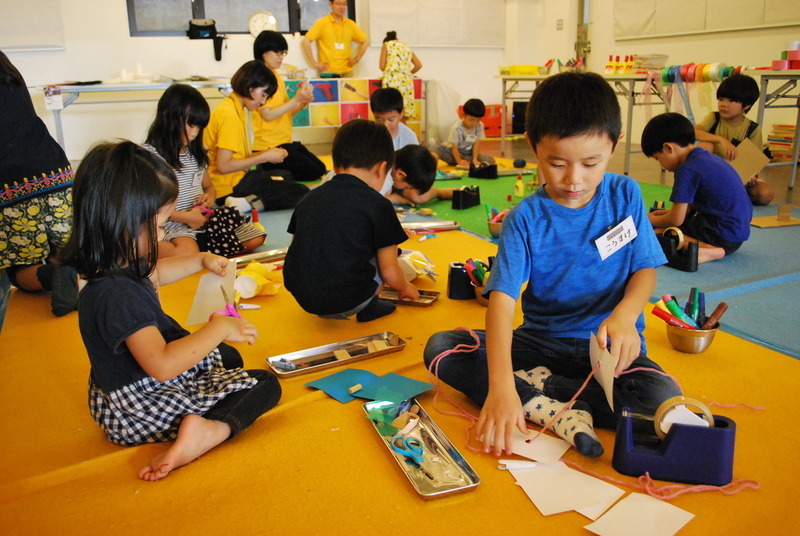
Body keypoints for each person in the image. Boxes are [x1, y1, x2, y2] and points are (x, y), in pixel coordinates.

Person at [423, 72, 681, 458]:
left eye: (591, 163)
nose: (574, 179)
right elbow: (502, 302)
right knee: (443, 348)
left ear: (614, 144)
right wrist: (500, 386)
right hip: (540, 343)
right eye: (557, 163)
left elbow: (644, 269)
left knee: (663, 400)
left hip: (609, 351)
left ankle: (539, 395)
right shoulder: (524, 219)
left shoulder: (625, 194)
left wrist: (626, 315)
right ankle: (549, 401)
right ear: (533, 146)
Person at [59, 141, 281, 481]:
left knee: (227, 357)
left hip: (131, 384)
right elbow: (162, 365)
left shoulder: (113, 262)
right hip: (139, 407)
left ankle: (203, 417)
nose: (163, 234)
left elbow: (156, 273)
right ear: (124, 221)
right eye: (160, 225)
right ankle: (209, 432)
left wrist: (200, 260)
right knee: (264, 384)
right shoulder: (116, 295)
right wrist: (218, 328)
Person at [284, 120, 419, 322]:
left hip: (303, 297)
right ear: (381, 168)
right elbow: (390, 273)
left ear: (335, 166)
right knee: (386, 252)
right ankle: (370, 307)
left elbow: (299, 247)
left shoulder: (309, 198)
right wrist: (405, 287)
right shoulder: (379, 204)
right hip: (348, 300)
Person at [144, 84, 265, 258]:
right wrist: (188, 218)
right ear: (167, 116)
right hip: (169, 223)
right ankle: (149, 252)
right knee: (186, 251)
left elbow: (209, 187)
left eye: (199, 127)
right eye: (191, 125)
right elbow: (147, 209)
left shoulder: (194, 153)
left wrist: (209, 198)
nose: (194, 133)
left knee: (255, 237)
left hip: (200, 219)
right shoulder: (149, 156)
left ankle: (198, 251)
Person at [0, 50, 78, 319]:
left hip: (12, 184)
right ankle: (76, 282)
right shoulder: (6, 67)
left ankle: (51, 275)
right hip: (55, 171)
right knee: (67, 250)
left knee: (20, 267)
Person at [643, 112, 752, 264]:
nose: (661, 164)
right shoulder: (709, 158)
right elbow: (687, 209)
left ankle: (706, 249)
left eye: (657, 158)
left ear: (668, 148)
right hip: (736, 236)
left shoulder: (686, 169)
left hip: (719, 236)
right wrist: (663, 213)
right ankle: (711, 248)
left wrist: (646, 219)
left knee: (659, 232)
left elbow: (676, 219)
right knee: (661, 224)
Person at [204, 60, 308, 214]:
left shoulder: (236, 107)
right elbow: (224, 166)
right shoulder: (229, 115)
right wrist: (264, 157)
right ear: (250, 87)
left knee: (284, 175)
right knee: (301, 191)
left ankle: (248, 200)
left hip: (235, 178)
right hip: (228, 187)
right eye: (263, 95)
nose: (263, 101)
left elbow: (237, 157)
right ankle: (245, 203)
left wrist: (267, 154)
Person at [252, 31, 326, 182]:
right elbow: (268, 115)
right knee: (313, 172)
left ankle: (272, 170)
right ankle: (266, 168)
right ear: (264, 52)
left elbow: (285, 112)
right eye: (277, 53)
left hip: (285, 142)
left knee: (320, 168)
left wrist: (302, 103)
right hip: (268, 146)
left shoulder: (276, 76)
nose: (281, 57)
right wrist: (297, 99)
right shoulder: (260, 78)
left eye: (283, 53)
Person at [694, 74, 774, 205]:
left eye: (731, 101)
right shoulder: (714, 118)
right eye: (721, 99)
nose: (724, 105)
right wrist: (720, 139)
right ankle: (711, 191)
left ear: (747, 105)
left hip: (737, 176)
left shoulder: (752, 129)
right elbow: (694, 132)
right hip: (713, 174)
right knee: (706, 145)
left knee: (766, 194)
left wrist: (750, 175)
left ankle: (729, 195)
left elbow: (754, 159)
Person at [370, 87, 420, 196]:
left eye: (391, 119)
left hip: (400, 183)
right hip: (377, 182)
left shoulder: (409, 136)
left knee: (419, 195)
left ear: (401, 113)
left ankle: (444, 193)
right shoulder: (369, 135)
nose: (385, 125)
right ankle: (391, 198)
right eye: (379, 119)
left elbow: (414, 166)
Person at [301, 0, 369, 76]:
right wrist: (314, 63)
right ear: (331, 4)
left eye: (344, 4)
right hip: (328, 71)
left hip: (347, 71)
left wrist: (357, 59)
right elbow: (305, 42)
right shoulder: (322, 22)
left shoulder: (350, 24)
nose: (342, 7)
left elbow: (366, 41)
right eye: (338, 3)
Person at [429, 98, 495, 167]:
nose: (474, 123)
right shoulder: (456, 128)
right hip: (453, 154)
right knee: (435, 147)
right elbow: (454, 148)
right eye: (471, 120)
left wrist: (475, 159)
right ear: (463, 115)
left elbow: (477, 144)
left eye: (477, 120)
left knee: (490, 160)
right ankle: (432, 167)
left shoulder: (479, 126)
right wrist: (459, 161)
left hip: (468, 154)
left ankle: (467, 162)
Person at [385, 144, 455, 206]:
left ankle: (441, 192)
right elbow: (379, 201)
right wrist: (395, 199)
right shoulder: (384, 176)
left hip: (398, 178)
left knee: (417, 195)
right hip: (390, 188)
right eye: (406, 187)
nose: (407, 188)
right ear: (400, 175)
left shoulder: (398, 169)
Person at [379, 31, 422, 120]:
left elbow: (382, 66)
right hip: (406, 82)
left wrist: (393, 70)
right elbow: (418, 65)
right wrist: (407, 73)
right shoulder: (406, 47)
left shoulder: (386, 45)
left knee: (390, 110)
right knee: (403, 112)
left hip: (392, 80)